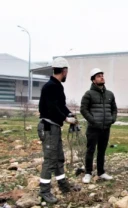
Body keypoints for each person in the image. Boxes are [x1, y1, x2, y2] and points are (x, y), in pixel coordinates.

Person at [37, 57, 80, 204]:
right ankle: (44, 191)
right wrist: (66, 119)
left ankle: (63, 185)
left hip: (54, 128)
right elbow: (52, 108)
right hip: (48, 128)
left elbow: (60, 106)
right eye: (67, 72)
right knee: (50, 160)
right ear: (64, 71)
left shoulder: (56, 86)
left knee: (59, 158)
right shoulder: (50, 86)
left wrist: (69, 114)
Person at [80, 68, 117, 184]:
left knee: (102, 150)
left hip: (106, 128)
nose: (102, 77)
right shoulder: (89, 94)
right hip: (93, 128)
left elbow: (114, 109)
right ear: (93, 80)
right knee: (90, 150)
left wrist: (112, 119)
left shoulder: (109, 94)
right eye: (98, 76)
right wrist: (93, 120)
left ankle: (101, 172)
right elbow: (83, 109)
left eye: (102, 75)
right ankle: (88, 173)